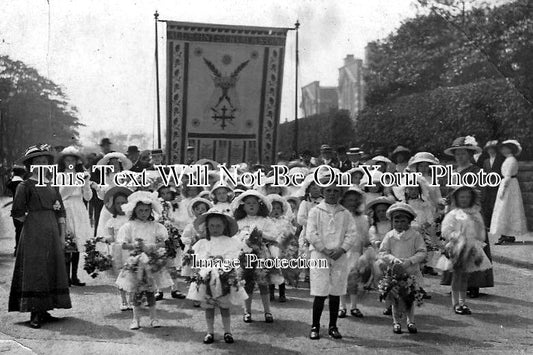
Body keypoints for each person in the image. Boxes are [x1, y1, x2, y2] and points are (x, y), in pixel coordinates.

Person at [8, 144, 72, 328]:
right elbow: (17, 212)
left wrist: (61, 236)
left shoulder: (52, 186)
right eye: (37, 162)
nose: (41, 165)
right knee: (35, 268)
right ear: (31, 166)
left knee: (50, 267)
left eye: (44, 162)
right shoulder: (25, 185)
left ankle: (45, 308)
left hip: (52, 231)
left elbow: (61, 211)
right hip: (33, 233)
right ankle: (34, 311)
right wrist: (32, 222)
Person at [442, 136, 494, 298]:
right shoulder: (453, 172)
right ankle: (456, 283)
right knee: (456, 246)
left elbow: (481, 194)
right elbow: (449, 195)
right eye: (457, 154)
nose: (460, 157)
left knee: (473, 246)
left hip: (471, 213)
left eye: (463, 153)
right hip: (455, 214)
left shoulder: (477, 172)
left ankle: (474, 284)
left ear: (470, 154)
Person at [186, 209, 248, 344]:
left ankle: (227, 332)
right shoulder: (202, 243)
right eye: (212, 226)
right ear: (207, 226)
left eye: (219, 226)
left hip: (224, 276)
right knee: (209, 307)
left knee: (224, 306)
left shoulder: (231, 241)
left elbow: (233, 257)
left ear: (225, 226)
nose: (215, 229)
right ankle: (210, 332)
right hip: (207, 278)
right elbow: (198, 259)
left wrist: (223, 264)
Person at [307, 177, 356, 340]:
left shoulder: (345, 213)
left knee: (336, 290)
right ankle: (315, 326)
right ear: (322, 192)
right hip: (320, 254)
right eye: (328, 190)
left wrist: (342, 249)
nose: (332, 193)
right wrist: (323, 249)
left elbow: (351, 233)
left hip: (339, 255)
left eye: (336, 191)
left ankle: (333, 326)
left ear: (340, 193)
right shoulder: (315, 211)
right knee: (320, 290)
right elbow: (311, 233)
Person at [115, 191, 173, 330]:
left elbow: (163, 242)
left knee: (150, 291)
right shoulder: (129, 226)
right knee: (136, 291)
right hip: (136, 261)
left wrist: (153, 246)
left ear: (151, 211)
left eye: (147, 210)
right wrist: (135, 245)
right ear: (134, 211)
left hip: (151, 261)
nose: (144, 213)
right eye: (140, 210)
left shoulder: (155, 226)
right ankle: (136, 319)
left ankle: (153, 318)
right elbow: (123, 243)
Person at [437, 186, 492, 315]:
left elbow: (480, 230)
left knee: (465, 276)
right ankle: (455, 303)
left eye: (467, 197)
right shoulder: (453, 214)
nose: (464, 199)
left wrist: (477, 242)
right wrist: (456, 237)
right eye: (462, 197)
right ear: (456, 198)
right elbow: (446, 230)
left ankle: (463, 302)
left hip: (470, 247)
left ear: (472, 198)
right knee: (457, 275)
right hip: (457, 247)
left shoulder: (475, 212)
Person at [231, 190, 281, 324]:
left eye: (254, 203)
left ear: (260, 206)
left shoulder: (265, 220)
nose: (251, 206)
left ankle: (267, 311)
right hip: (245, 255)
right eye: (248, 203)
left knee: (263, 282)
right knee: (247, 283)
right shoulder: (239, 221)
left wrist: (261, 234)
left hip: (261, 254)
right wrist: (243, 236)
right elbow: (233, 236)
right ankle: (247, 311)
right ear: (243, 206)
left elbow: (274, 235)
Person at [379, 202, 426, 334]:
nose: (399, 224)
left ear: (409, 222)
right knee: (395, 298)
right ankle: (396, 322)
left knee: (409, 297)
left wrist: (410, 261)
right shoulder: (389, 236)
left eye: (403, 221)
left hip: (410, 272)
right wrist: (393, 259)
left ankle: (410, 321)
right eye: (396, 221)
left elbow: (422, 252)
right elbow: (383, 252)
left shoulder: (415, 235)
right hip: (395, 273)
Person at [57, 146, 93, 287]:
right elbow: (62, 194)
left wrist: (86, 183)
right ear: (64, 162)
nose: (70, 163)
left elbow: (88, 197)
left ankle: (74, 276)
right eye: (67, 160)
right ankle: (65, 277)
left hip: (79, 208)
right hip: (67, 207)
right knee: (68, 241)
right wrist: (77, 180)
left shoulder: (81, 175)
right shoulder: (60, 176)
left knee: (78, 242)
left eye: (73, 160)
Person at [339, 187, 370, 319]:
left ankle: (354, 306)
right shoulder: (339, 215)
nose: (351, 202)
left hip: (355, 252)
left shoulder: (362, 218)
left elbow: (364, 237)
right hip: (341, 251)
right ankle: (342, 306)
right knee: (340, 279)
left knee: (353, 279)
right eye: (349, 200)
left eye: (354, 200)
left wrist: (365, 252)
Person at [491, 140, 527, 245]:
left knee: (506, 207)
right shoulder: (508, 159)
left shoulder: (511, 160)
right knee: (506, 208)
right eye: (502, 148)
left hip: (509, 185)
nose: (502, 150)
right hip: (509, 184)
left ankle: (506, 234)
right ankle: (506, 233)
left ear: (510, 149)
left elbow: (507, 175)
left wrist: (503, 190)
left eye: (504, 148)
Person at [103, 186, 133, 311]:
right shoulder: (112, 221)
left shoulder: (132, 219)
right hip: (118, 251)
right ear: (113, 205)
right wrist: (106, 239)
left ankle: (132, 299)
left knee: (132, 275)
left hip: (131, 249)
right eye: (118, 203)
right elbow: (110, 235)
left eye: (123, 203)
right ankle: (123, 300)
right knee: (121, 276)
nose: (121, 206)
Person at [91, 152, 133, 238]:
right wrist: (97, 188)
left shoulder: (127, 176)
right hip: (108, 207)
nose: (115, 165)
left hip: (123, 208)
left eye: (117, 163)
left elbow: (131, 192)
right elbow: (102, 196)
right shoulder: (105, 178)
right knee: (106, 230)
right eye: (112, 163)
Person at [267, 194, 296, 302]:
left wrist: (285, 239)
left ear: (282, 210)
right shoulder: (267, 221)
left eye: (278, 208)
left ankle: (282, 293)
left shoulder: (284, 221)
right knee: (270, 271)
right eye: (273, 208)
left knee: (281, 271)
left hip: (281, 247)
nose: (275, 211)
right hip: (270, 247)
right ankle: (270, 292)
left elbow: (290, 232)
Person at [479, 141, 504, 229]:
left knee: (496, 205)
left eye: (492, 149)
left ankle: (496, 225)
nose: (490, 151)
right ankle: (488, 224)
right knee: (488, 205)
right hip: (488, 186)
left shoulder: (500, 160)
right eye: (489, 149)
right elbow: (484, 173)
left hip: (497, 185)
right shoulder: (486, 161)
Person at [5, 165, 26, 256]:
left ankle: (17, 248)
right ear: (22, 173)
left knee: (18, 230)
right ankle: (21, 249)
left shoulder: (12, 183)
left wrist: (11, 176)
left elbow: (8, 183)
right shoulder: (24, 183)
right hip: (24, 208)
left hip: (15, 208)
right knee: (23, 230)